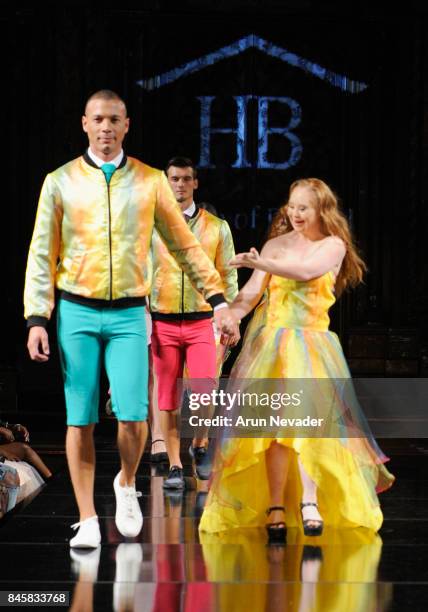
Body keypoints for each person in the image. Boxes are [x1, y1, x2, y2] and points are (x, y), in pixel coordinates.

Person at [24, 90, 237, 549]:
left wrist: (218, 298)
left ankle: (125, 481)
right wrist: (37, 316)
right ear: (84, 123)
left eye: (114, 120)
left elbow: (184, 245)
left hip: (128, 314)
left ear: (126, 125)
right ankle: (86, 518)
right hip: (76, 309)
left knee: (134, 415)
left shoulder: (149, 181)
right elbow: (42, 253)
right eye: (98, 119)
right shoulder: (59, 181)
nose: (105, 127)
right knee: (79, 418)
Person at [199, 178, 394, 543]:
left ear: (322, 210)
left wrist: (265, 261)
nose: (296, 213)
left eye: (304, 207)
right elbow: (252, 294)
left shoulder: (333, 246)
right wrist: (229, 314)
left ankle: (309, 501)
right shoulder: (275, 245)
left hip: (312, 348)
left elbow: (306, 273)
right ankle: (275, 505)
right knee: (271, 432)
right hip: (273, 348)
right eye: (293, 206)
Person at [150, 157, 239, 488]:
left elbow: (228, 276)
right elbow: (143, 272)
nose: (180, 185)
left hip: (204, 320)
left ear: (195, 183)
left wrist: (228, 317)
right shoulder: (153, 225)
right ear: (166, 181)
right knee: (168, 396)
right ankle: (174, 464)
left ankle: (199, 443)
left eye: (186, 179)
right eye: (174, 179)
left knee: (205, 389)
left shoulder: (216, 226)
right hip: (163, 319)